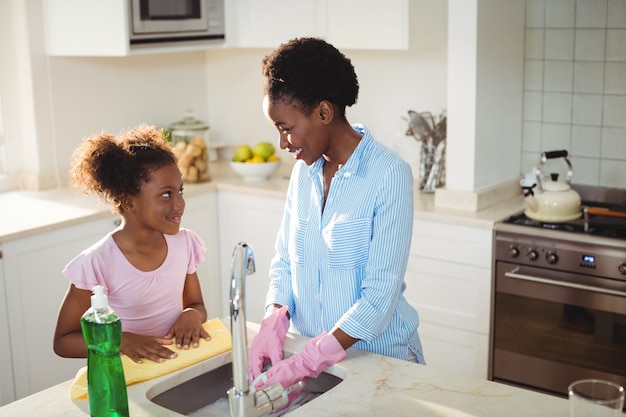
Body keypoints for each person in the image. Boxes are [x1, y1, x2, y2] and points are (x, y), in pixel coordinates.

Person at [248, 37, 425, 400]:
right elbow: (284, 262)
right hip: (317, 370)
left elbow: (379, 297)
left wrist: (310, 359)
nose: (282, 143)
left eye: (286, 127)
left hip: (379, 364)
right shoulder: (304, 172)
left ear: (324, 113)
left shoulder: (389, 174)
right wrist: (274, 320)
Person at [53, 124, 210, 364]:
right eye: (166, 194)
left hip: (174, 365)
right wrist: (120, 341)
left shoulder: (184, 244)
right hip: (127, 377)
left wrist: (191, 315)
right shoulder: (98, 261)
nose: (180, 204)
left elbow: (197, 305)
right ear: (128, 201)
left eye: (181, 191)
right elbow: (63, 340)